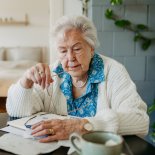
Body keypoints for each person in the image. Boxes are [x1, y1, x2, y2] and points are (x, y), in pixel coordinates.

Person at [6, 15, 149, 143]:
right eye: (63, 50)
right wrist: (26, 82)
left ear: (91, 49)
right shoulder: (53, 73)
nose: (70, 57)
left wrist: (84, 125)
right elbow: (18, 112)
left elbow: (139, 120)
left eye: (77, 49)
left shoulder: (113, 71)